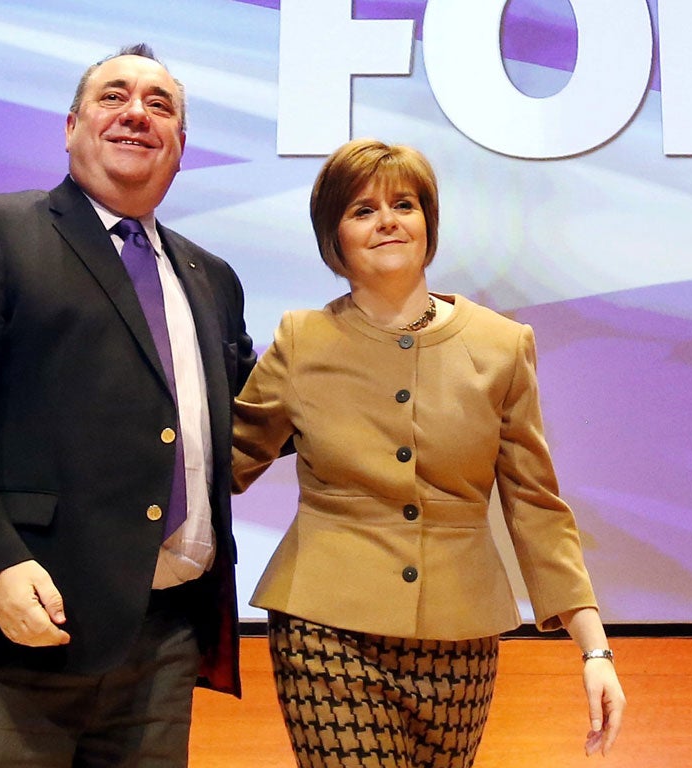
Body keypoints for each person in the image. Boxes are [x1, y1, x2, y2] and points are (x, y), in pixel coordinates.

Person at [0, 44, 255, 767]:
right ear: (70, 126)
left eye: (160, 104)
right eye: (114, 96)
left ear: (181, 147)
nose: (137, 113)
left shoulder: (213, 278)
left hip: (161, 650)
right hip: (5, 643)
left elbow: (254, 419)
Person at [231, 138, 625, 767]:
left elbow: (535, 507)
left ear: (427, 223)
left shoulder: (502, 345)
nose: (387, 219)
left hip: (460, 637)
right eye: (362, 210)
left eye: (404, 204)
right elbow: (222, 460)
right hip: (325, 629)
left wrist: (594, 649)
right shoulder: (301, 341)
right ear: (333, 237)